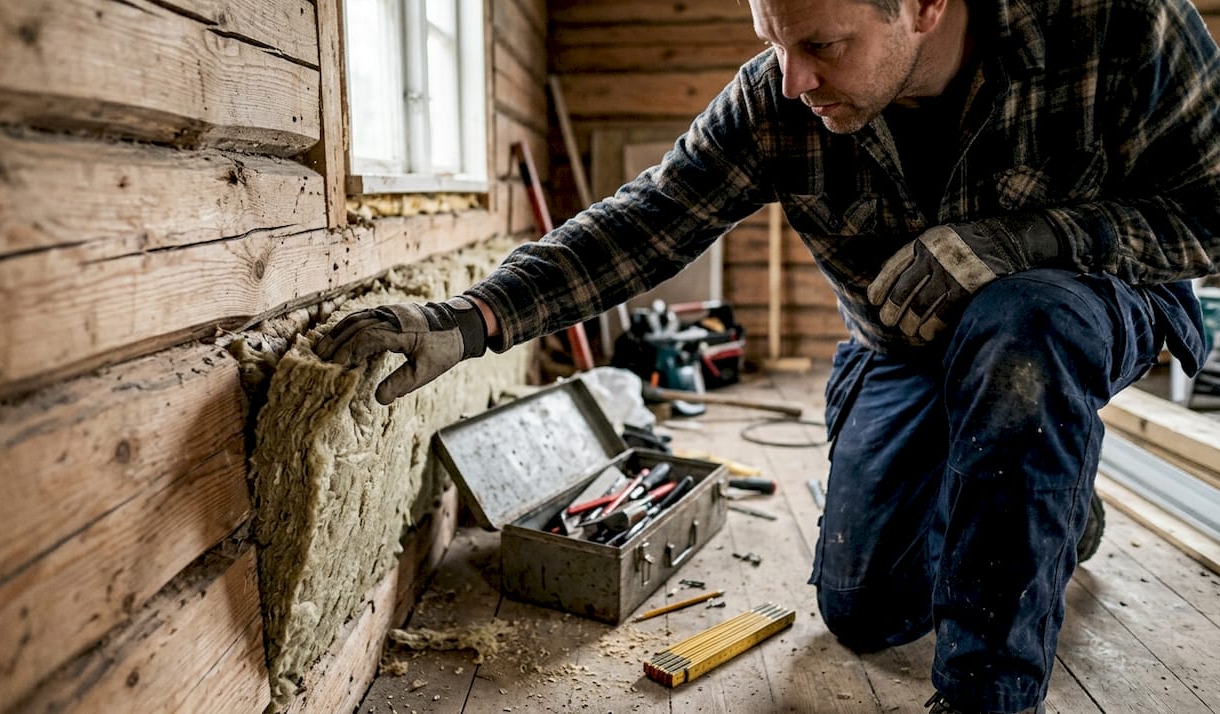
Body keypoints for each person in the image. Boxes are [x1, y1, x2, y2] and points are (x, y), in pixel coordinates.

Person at [316, 0, 1220, 710]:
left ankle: (989, 692)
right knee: (864, 613)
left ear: (926, 5)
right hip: (903, 345)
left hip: (1079, 306)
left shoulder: (1119, 24)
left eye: (822, 46)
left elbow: (1210, 216)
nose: (794, 81)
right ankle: (1053, 501)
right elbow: (645, 222)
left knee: (1022, 330)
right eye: (774, 42)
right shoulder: (778, 97)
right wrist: (470, 319)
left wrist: (1020, 240)